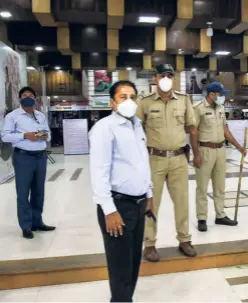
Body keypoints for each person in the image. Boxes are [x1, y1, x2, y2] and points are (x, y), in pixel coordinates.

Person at [89, 80, 154, 302]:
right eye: (123, 97)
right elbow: (99, 171)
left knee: (133, 261)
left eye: (133, 97)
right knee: (120, 266)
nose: (129, 101)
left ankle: (127, 299)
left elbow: (142, 162)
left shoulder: (137, 125)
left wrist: (149, 194)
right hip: (118, 206)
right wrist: (109, 210)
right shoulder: (104, 128)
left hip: (138, 204)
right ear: (112, 103)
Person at [136, 64, 199, 262]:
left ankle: (184, 239)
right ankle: (150, 244)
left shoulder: (184, 100)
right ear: (155, 78)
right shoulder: (144, 103)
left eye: (169, 75)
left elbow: (193, 128)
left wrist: (197, 154)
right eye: (162, 74)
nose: (166, 77)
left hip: (179, 158)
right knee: (151, 203)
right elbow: (136, 133)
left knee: (182, 202)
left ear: (173, 79)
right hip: (154, 159)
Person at [1, 86, 55, 239]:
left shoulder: (40, 116)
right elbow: (5, 136)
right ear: (20, 98)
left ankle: (37, 222)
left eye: (31, 95)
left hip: (40, 156)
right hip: (23, 157)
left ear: (35, 99)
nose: (28, 97)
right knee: (23, 192)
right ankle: (26, 225)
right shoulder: (13, 116)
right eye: (25, 95)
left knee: (39, 191)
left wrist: (44, 136)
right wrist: (25, 135)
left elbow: (48, 134)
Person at [193, 82, 247, 232]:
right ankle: (202, 217)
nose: (222, 97)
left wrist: (238, 146)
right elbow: (194, 132)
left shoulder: (221, 108)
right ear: (212, 94)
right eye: (220, 94)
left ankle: (220, 215)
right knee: (202, 187)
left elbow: (225, 130)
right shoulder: (198, 108)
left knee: (220, 186)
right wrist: (196, 154)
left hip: (220, 150)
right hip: (205, 150)